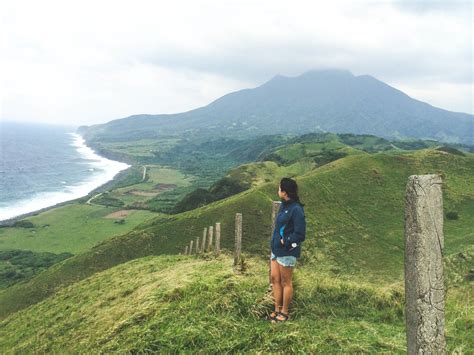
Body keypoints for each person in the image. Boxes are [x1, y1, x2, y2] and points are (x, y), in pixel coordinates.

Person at [269, 177, 306, 323]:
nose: (277, 191)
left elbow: (300, 234)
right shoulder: (284, 205)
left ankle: (284, 312)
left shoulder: (296, 209)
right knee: (274, 279)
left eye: (279, 189)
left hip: (287, 251)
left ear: (284, 192)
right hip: (276, 249)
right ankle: (276, 309)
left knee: (286, 282)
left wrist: (287, 241)